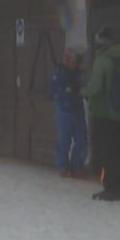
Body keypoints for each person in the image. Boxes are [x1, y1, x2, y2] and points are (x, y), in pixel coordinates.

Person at [82, 26, 120, 201]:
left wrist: (82, 91)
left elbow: (95, 86)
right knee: (116, 151)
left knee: (108, 152)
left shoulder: (103, 60)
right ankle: (119, 187)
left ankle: (112, 189)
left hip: (105, 113)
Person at [51, 49, 88, 179]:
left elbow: (85, 87)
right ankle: (62, 166)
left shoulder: (79, 74)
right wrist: (68, 94)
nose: (72, 62)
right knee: (64, 140)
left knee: (81, 140)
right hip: (64, 110)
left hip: (77, 110)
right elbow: (56, 92)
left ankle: (77, 166)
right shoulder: (59, 73)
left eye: (74, 60)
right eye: (70, 60)